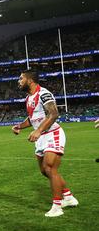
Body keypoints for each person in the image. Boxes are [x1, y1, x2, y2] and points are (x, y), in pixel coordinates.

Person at [12, 70, 79, 217]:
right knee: (44, 171)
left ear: (30, 80)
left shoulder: (44, 93)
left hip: (52, 134)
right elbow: (32, 119)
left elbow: (53, 113)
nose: (19, 81)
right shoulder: (29, 98)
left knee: (50, 167)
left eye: (21, 78)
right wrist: (19, 126)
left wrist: (38, 131)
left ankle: (57, 206)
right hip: (41, 137)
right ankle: (68, 196)